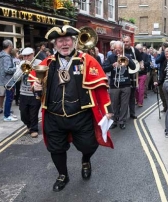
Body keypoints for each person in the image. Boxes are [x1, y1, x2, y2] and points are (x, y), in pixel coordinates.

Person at [31, 25, 114, 192]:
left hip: (80, 115)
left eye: (67, 40)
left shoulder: (87, 60)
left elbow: (101, 88)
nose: (64, 44)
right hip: (54, 116)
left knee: (88, 145)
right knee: (55, 148)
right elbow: (36, 88)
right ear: (55, 45)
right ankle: (63, 175)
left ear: (74, 42)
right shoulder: (47, 63)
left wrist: (108, 110)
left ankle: (85, 159)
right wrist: (36, 88)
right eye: (60, 41)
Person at [103, 41, 136, 129]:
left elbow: (134, 67)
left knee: (124, 104)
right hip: (114, 85)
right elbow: (104, 68)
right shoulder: (110, 57)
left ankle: (122, 121)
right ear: (113, 49)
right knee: (114, 104)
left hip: (125, 84)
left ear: (123, 49)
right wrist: (112, 65)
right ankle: (114, 120)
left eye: (120, 49)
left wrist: (128, 60)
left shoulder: (127, 56)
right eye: (116, 49)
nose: (118, 51)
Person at [14, 47, 42, 138]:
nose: (26, 58)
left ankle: (34, 129)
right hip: (23, 92)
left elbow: (42, 77)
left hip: (35, 92)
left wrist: (33, 68)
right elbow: (15, 78)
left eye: (28, 56)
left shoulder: (39, 62)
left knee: (34, 113)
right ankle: (29, 126)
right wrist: (23, 69)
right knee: (23, 113)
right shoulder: (21, 63)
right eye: (24, 56)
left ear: (33, 54)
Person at [123, 36, 144, 119]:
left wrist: (141, 65)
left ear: (130, 42)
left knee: (132, 96)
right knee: (123, 98)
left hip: (133, 76)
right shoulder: (121, 51)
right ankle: (122, 116)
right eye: (124, 42)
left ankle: (132, 113)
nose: (125, 43)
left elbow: (140, 60)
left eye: (127, 42)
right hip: (123, 76)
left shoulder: (134, 51)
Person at [0, 39, 17, 121]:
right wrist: (16, 68)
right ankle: (7, 116)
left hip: (4, 80)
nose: (12, 47)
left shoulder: (1, 55)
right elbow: (7, 69)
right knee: (9, 99)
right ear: (9, 46)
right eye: (12, 46)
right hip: (8, 81)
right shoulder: (6, 57)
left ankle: (8, 113)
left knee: (8, 98)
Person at [156, 42, 168, 112]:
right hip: (164, 79)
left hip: (165, 80)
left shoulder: (163, 54)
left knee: (164, 94)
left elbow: (157, 61)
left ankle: (167, 108)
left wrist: (159, 53)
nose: (167, 55)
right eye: (166, 54)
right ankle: (167, 107)